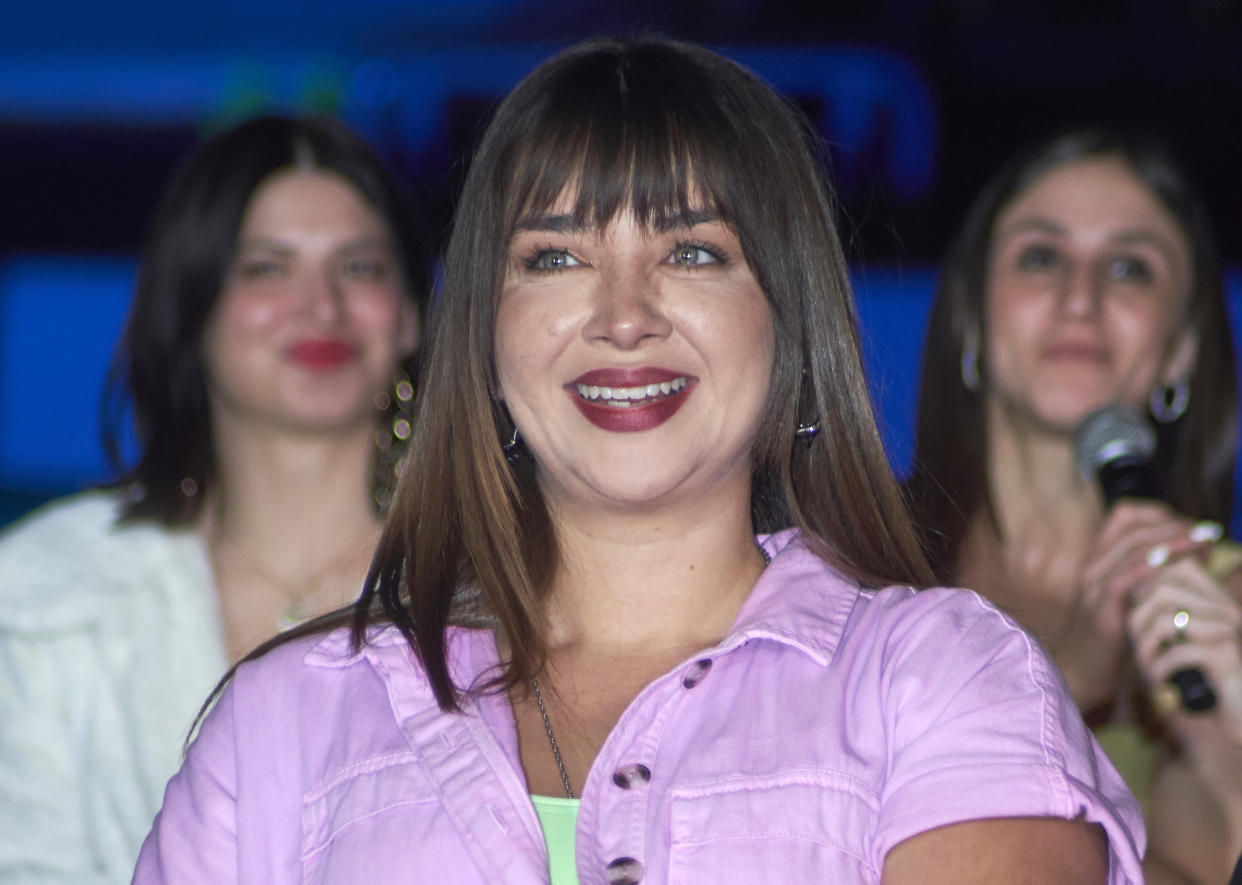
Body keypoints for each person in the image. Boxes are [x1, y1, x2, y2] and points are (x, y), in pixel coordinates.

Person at [134, 39, 1142, 883]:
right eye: (556, 257)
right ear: (485, 335)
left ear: (789, 328)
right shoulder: (284, 724)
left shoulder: (937, 677)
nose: (624, 317)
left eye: (693, 252)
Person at [0, 115, 427, 882]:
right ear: (190, 306)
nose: (321, 306)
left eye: (359, 268)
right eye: (269, 268)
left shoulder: (491, 573)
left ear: (411, 315)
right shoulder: (41, 592)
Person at [905, 128, 1242, 884]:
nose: (1080, 297)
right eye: (1041, 257)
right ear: (969, 317)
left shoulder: (1220, 607)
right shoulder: (849, 564)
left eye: (1129, 268)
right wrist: (1067, 680)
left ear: (1183, 347)